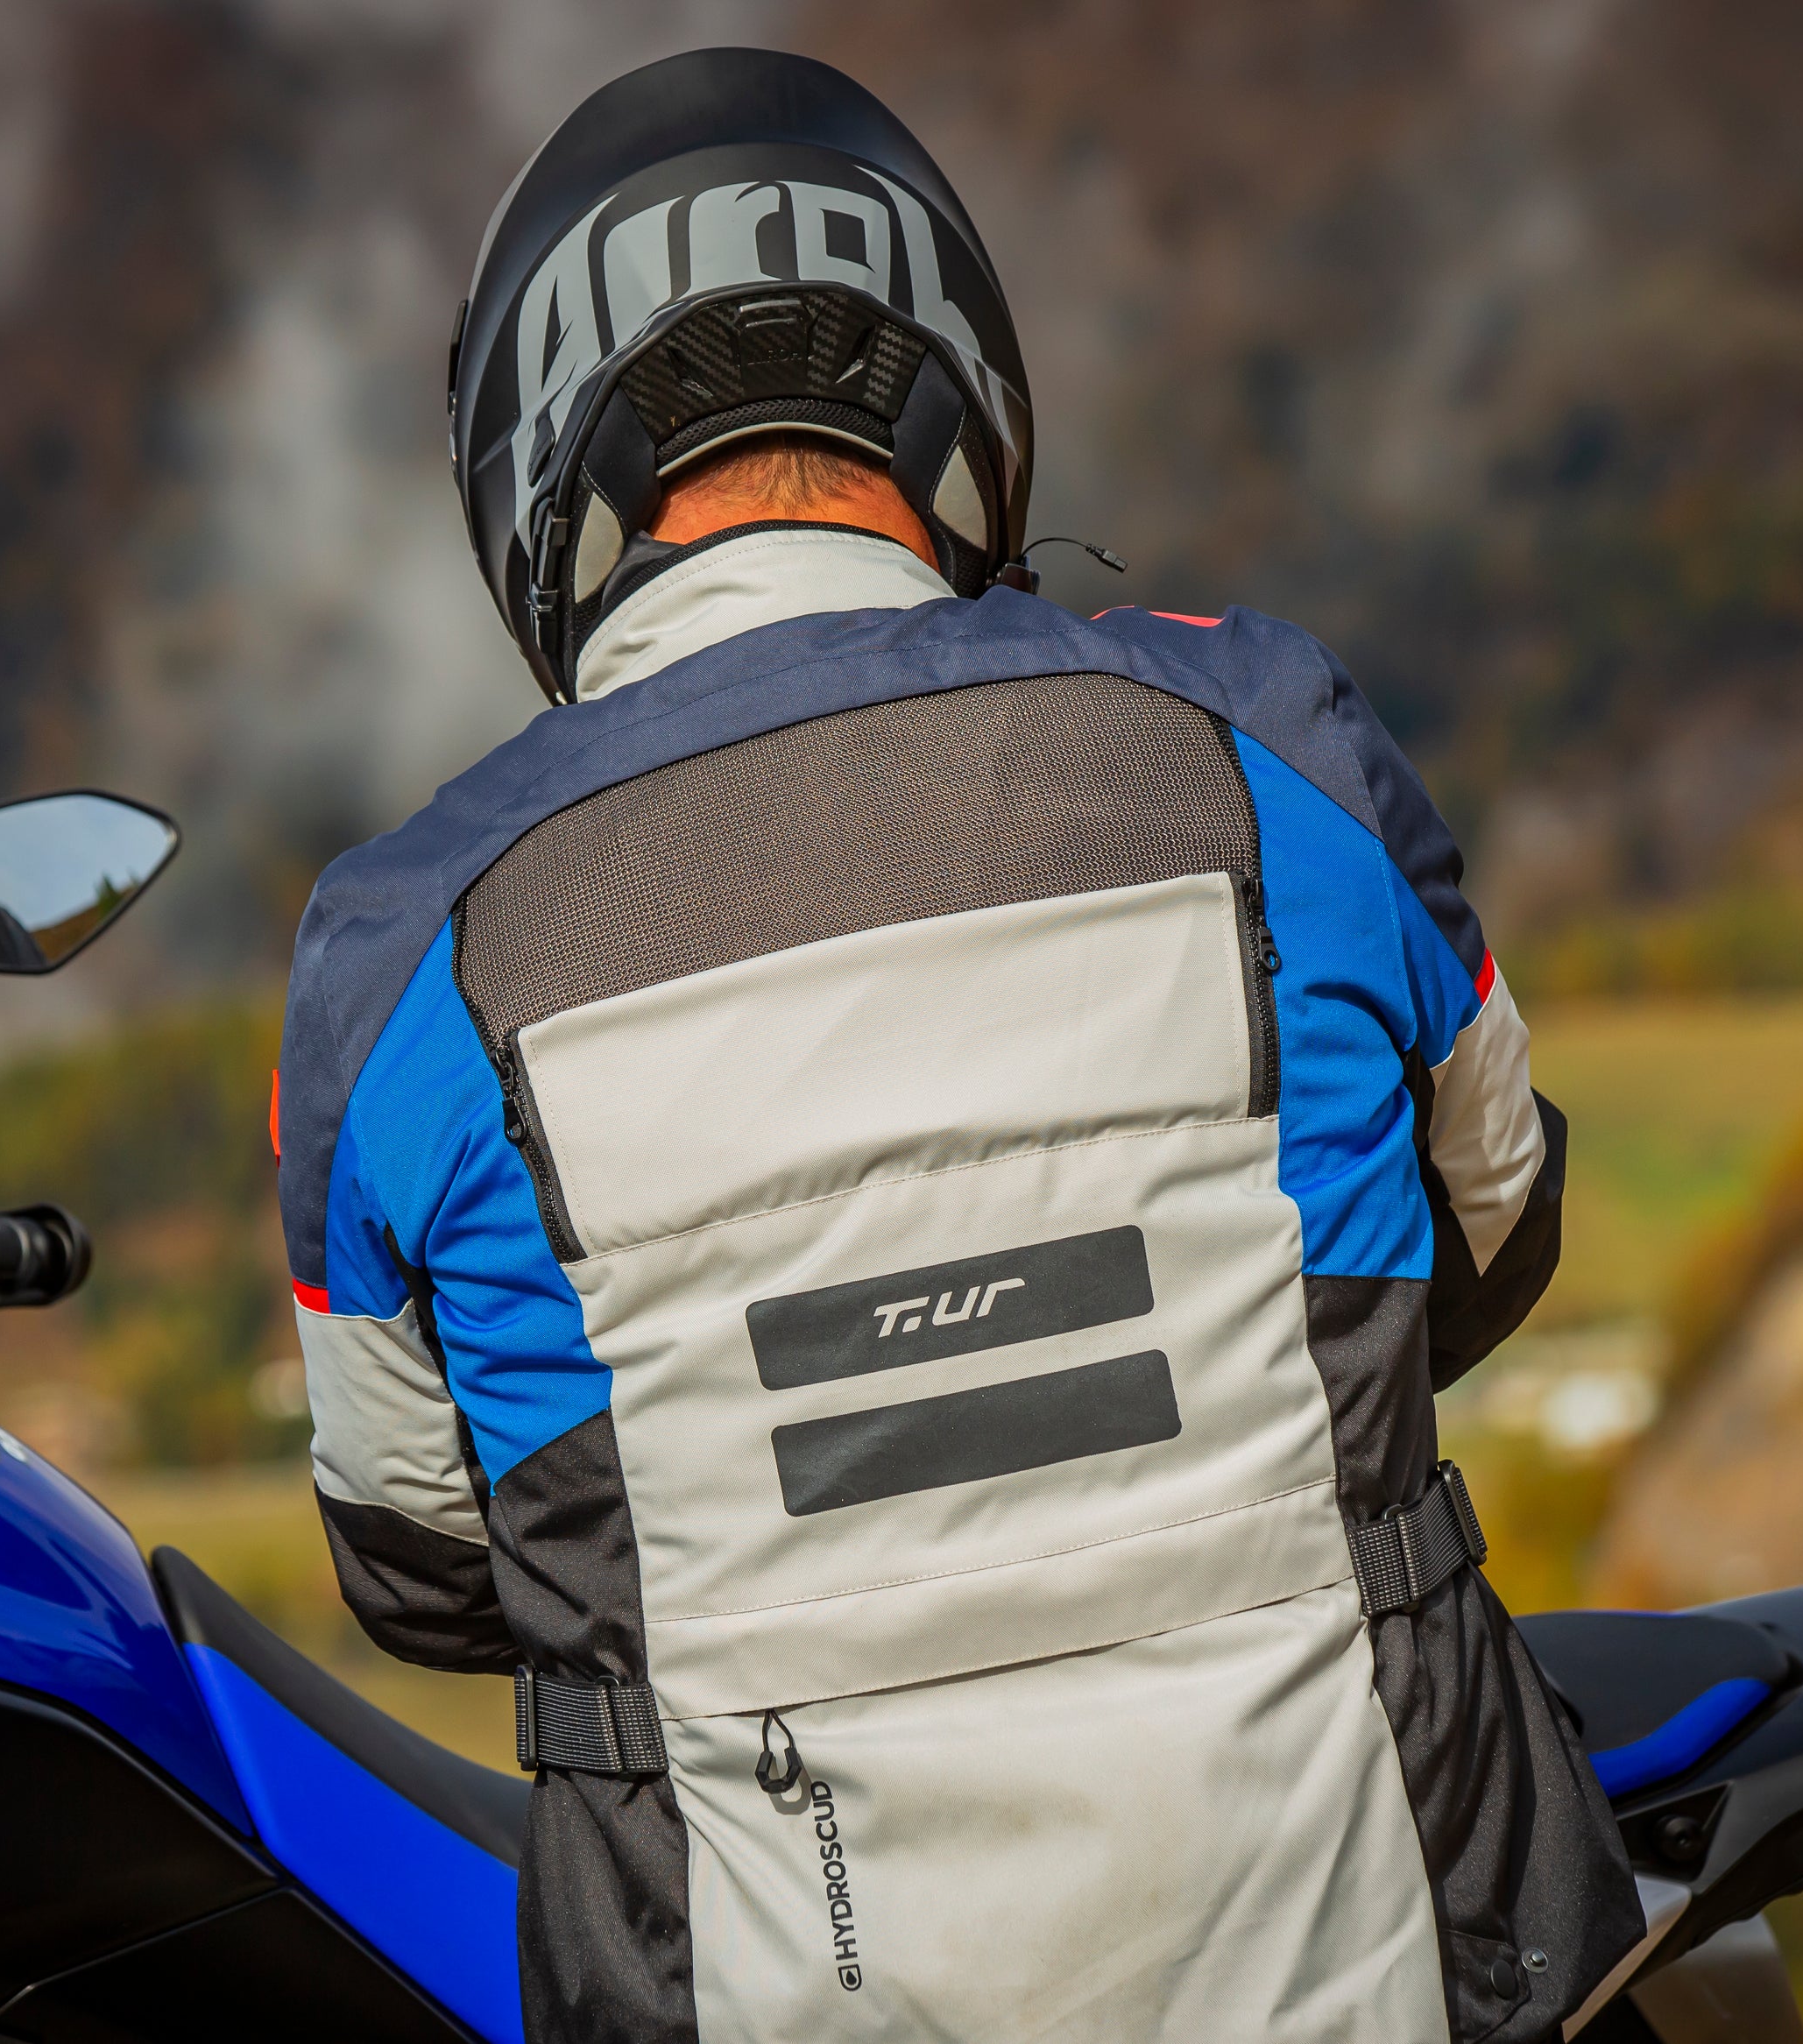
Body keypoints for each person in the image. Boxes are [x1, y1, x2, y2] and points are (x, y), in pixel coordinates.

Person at [277, 46, 1643, 2044]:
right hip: (1417, 1970)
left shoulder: (400, 949)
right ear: (956, 394)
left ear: (539, 472)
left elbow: (420, 1563)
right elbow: (1493, 1231)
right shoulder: (1276, 741)